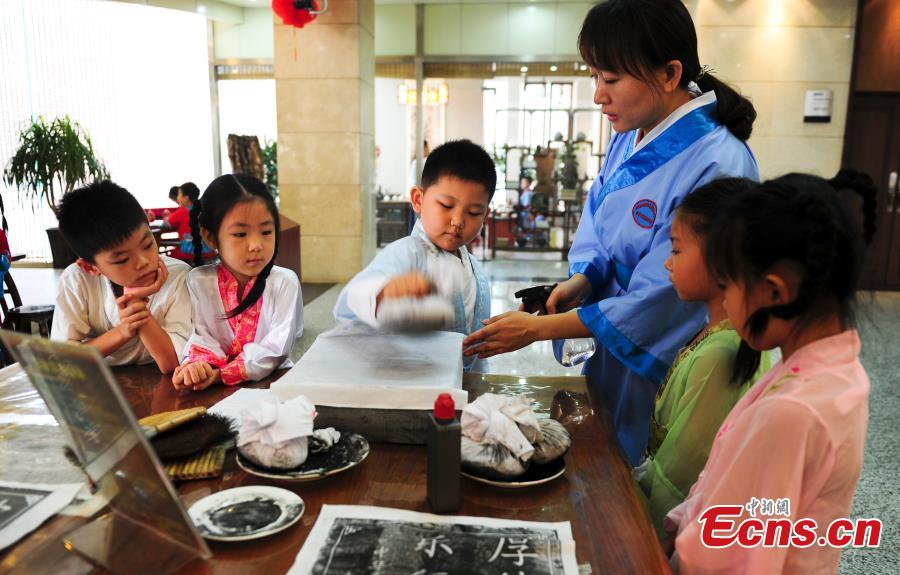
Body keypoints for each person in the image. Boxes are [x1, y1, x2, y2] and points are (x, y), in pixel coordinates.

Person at [462, 0, 759, 465]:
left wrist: (538, 330)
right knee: (608, 457)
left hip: (666, 347)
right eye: (595, 76)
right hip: (614, 332)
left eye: (611, 79)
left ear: (669, 73)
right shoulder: (631, 131)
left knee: (654, 473)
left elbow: (665, 295)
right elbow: (599, 222)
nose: (598, 95)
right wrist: (582, 281)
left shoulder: (719, 162)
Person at [666, 170, 876, 574]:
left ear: (776, 293)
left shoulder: (792, 411)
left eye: (727, 286)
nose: (724, 302)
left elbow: (732, 557)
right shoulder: (833, 370)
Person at [636, 178, 770, 538]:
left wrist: (640, 532)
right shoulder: (715, 334)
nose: (667, 263)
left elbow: (678, 476)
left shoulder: (722, 355)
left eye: (677, 250)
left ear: (720, 259)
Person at [334, 139, 494, 371]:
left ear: (485, 214)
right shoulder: (405, 253)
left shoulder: (475, 268)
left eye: (473, 212)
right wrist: (384, 294)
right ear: (419, 200)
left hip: (466, 391)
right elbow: (352, 299)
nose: (458, 221)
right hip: (418, 388)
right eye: (446, 206)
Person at [174, 174, 303, 391]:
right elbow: (202, 337)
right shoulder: (199, 281)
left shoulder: (284, 282)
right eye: (240, 233)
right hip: (216, 389)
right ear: (210, 237)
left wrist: (220, 375)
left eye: (266, 232)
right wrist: (195, 367)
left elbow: (276, 349)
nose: (256, 245)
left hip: (274, 384)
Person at [51, 181, 190, 373]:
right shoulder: (77, 280)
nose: (143, 261)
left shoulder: (178, 275)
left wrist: (138, 310)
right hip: (100, 385)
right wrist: (124, 331)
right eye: (122, 259)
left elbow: (173, 362)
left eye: (148, 245)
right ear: (91, 268)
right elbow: (64, 360)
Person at [165, 182, 215, 263]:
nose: (177, 198)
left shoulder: (183, 211)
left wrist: (166, 216)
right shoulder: (203, 210)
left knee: (171, 255)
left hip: (189, 250)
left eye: (179, 195)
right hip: (208, 249)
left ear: (186, 198)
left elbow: (169, 222)